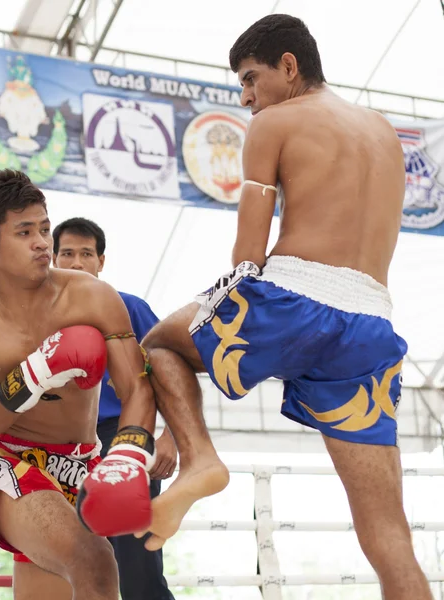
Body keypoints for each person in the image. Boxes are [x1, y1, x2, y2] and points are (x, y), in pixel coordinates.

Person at [134, 14, 433, 600]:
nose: (246, 98)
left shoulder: (274, 121)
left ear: (289, 66)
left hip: (295, 298)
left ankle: (198, 461)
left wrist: (182, 412)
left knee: (161, 341)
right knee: (389, 534)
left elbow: (247, 257)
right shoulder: (382, 132)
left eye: (250, 79)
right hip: (371, 324)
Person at [0, 169, 160, 600]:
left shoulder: (92, 296)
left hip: (84, 461)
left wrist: (129, 454)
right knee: (94, 560)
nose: (42, 241)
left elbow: (136, 387)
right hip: (15, 465)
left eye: (43, 227)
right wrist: (33, 374)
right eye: (24, 232)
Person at [52, 216, 176, 600]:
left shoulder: (128, 307)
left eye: (85, 254)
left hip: (121, 437)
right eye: (67, 253)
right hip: (57, 445)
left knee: (137, 568)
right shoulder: (38, 315)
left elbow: (171, 369)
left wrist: (171, 437)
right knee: (69, 563)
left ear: (101, 261)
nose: (76, 263)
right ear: (53, 258)